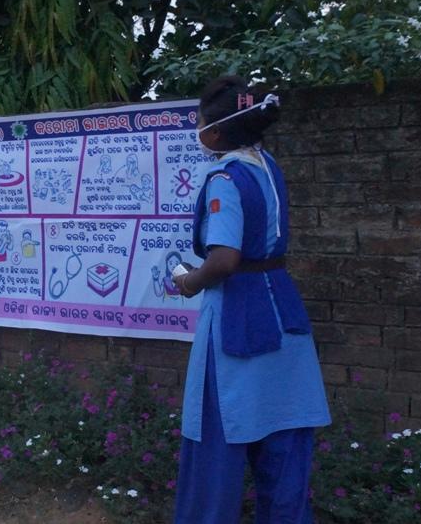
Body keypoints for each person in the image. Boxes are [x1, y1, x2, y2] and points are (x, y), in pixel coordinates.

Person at [171, 76, 331, 523]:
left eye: (200, 122)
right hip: (283, 314)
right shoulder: (268, 167)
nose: (197, 129)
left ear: (216, 133)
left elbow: (223, 260)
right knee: (284, 441)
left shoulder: (224, 177)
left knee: (216, 443)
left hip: (235, 320)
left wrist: (189, 282)